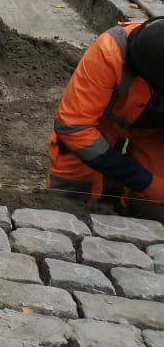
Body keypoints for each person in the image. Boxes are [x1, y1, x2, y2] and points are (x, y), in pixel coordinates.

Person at [49, 17, 164, 216]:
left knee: (153, 201)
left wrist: (148, 184)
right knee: (70, 196)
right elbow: (73, 126)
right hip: (101, 126)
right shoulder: (110, 51)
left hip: (154, 133)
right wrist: (140, 178)